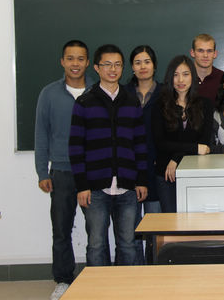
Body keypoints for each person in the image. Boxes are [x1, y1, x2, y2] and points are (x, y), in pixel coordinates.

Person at [69, 44, 148, 267]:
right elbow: (75, 147)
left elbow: (140, 144)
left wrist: (141, 180)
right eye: (107, 64)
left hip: (128, 186)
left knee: (128, 243)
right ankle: (98, 286)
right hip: (95, 188)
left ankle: (125, 285)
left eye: (118, 65)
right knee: (96, 244)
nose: (113, 69)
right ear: (96, 67)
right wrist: (82, 185)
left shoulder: (131, 101)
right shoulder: (84, 102)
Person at [35, 40, 91, 300]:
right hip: (61, 171)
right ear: (62, 61)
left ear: (88, 62)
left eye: (80, 58)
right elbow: (41, 134)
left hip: (92, 171)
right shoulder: (49, 94)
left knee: (96, 229)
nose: (75, 64)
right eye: (70, 58)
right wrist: (42, 172)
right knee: (61, 229)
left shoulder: (97, 91)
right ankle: (63, 280)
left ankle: (94, 278)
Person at [152, 55, 213, 212]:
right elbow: (160, 143)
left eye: (185, 74)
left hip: (195, 174)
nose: (180, 80)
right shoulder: (159, 105)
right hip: (166, 175)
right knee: (171, 221)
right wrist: (193, 148)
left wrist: (176, 158)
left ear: (193, 76)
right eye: (176, 75)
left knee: (195, 221)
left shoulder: (205, 105)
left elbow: (205, 143)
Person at [125, 45, 162, 264]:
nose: (143, 67)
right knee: (130, 232)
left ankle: (155, 272)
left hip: (156, 169)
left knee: (155, 230)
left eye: (147, 62)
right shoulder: (122, 93)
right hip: (128, 170)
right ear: (132, 66)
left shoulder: (165, 93)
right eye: (138, 62)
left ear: (154, 65)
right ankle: (135, 272)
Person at [190, 33, 223, 106]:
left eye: (209, 51)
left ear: (215, 54)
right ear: (192, 53)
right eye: (200, 51)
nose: (205, 55)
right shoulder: (182, 78)